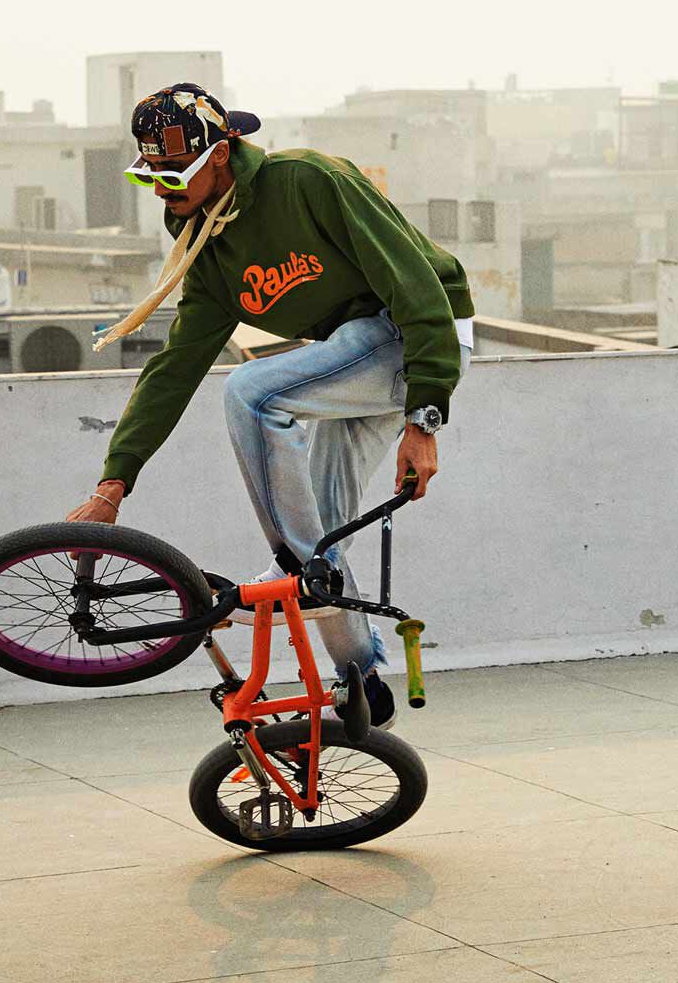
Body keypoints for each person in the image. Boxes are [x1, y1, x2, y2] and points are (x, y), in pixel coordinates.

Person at [66, 83, 474, 728]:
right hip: (351, 356)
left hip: (414, 332)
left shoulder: (308, 181)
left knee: (253, 392)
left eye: (176, 173)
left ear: (220, 154)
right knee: (323, 536)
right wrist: (113, 484)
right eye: (151, 177)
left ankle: (299, 565)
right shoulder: (205, 240)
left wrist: (425, 418)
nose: (163, 189)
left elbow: (414, 283)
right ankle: (363, 682)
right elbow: (177, 365)